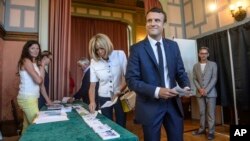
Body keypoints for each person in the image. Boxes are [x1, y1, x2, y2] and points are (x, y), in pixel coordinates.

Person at [125, 7, 191, 141]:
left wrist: (186, 87)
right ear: (146, 24)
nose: (153, 23)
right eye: (149, 20)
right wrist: (157, 91)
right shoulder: (137, 49)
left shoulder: (173, 46)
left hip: (173, 104)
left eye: (157, 20)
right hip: (149, 105)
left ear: (163, 24)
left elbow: (180, 72)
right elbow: (131, 80)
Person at [88, 33, 127, 128]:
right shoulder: (94, 62)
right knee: (107, 124)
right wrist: (92, 101)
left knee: (121, 123)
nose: (99, 52)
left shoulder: (120, 54)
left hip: (120, 95)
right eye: (96, 50)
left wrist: (119, 91)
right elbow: (92, 86)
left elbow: (127, 77)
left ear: (107, 45)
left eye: (101, 48)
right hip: (103, 97)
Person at [17, 40, 52, 134]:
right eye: (32, 48)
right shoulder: (26, 60)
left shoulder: (34, 63)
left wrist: (48, 100)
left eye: (37, 48)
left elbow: (41, 84)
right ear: (27, 50)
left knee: (27, 127)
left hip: (32, 98)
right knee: (38, 127)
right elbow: (39, 80)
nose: (36, 50)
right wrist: (42, 66)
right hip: (27, 98)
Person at [192, 47, 217, 140]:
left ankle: (211, 132)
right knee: (202, 113)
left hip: (211, 93)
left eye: (205, 53)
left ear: (208, 54)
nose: (203, 55)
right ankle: (202, 130)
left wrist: (206, 90)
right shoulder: (195, 66)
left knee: (211, 114)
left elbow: (214, 78)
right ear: (199, 54)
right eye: (202, 53)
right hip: (199, 94)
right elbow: (194, 79)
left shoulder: (213, 64)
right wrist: (200, 89)